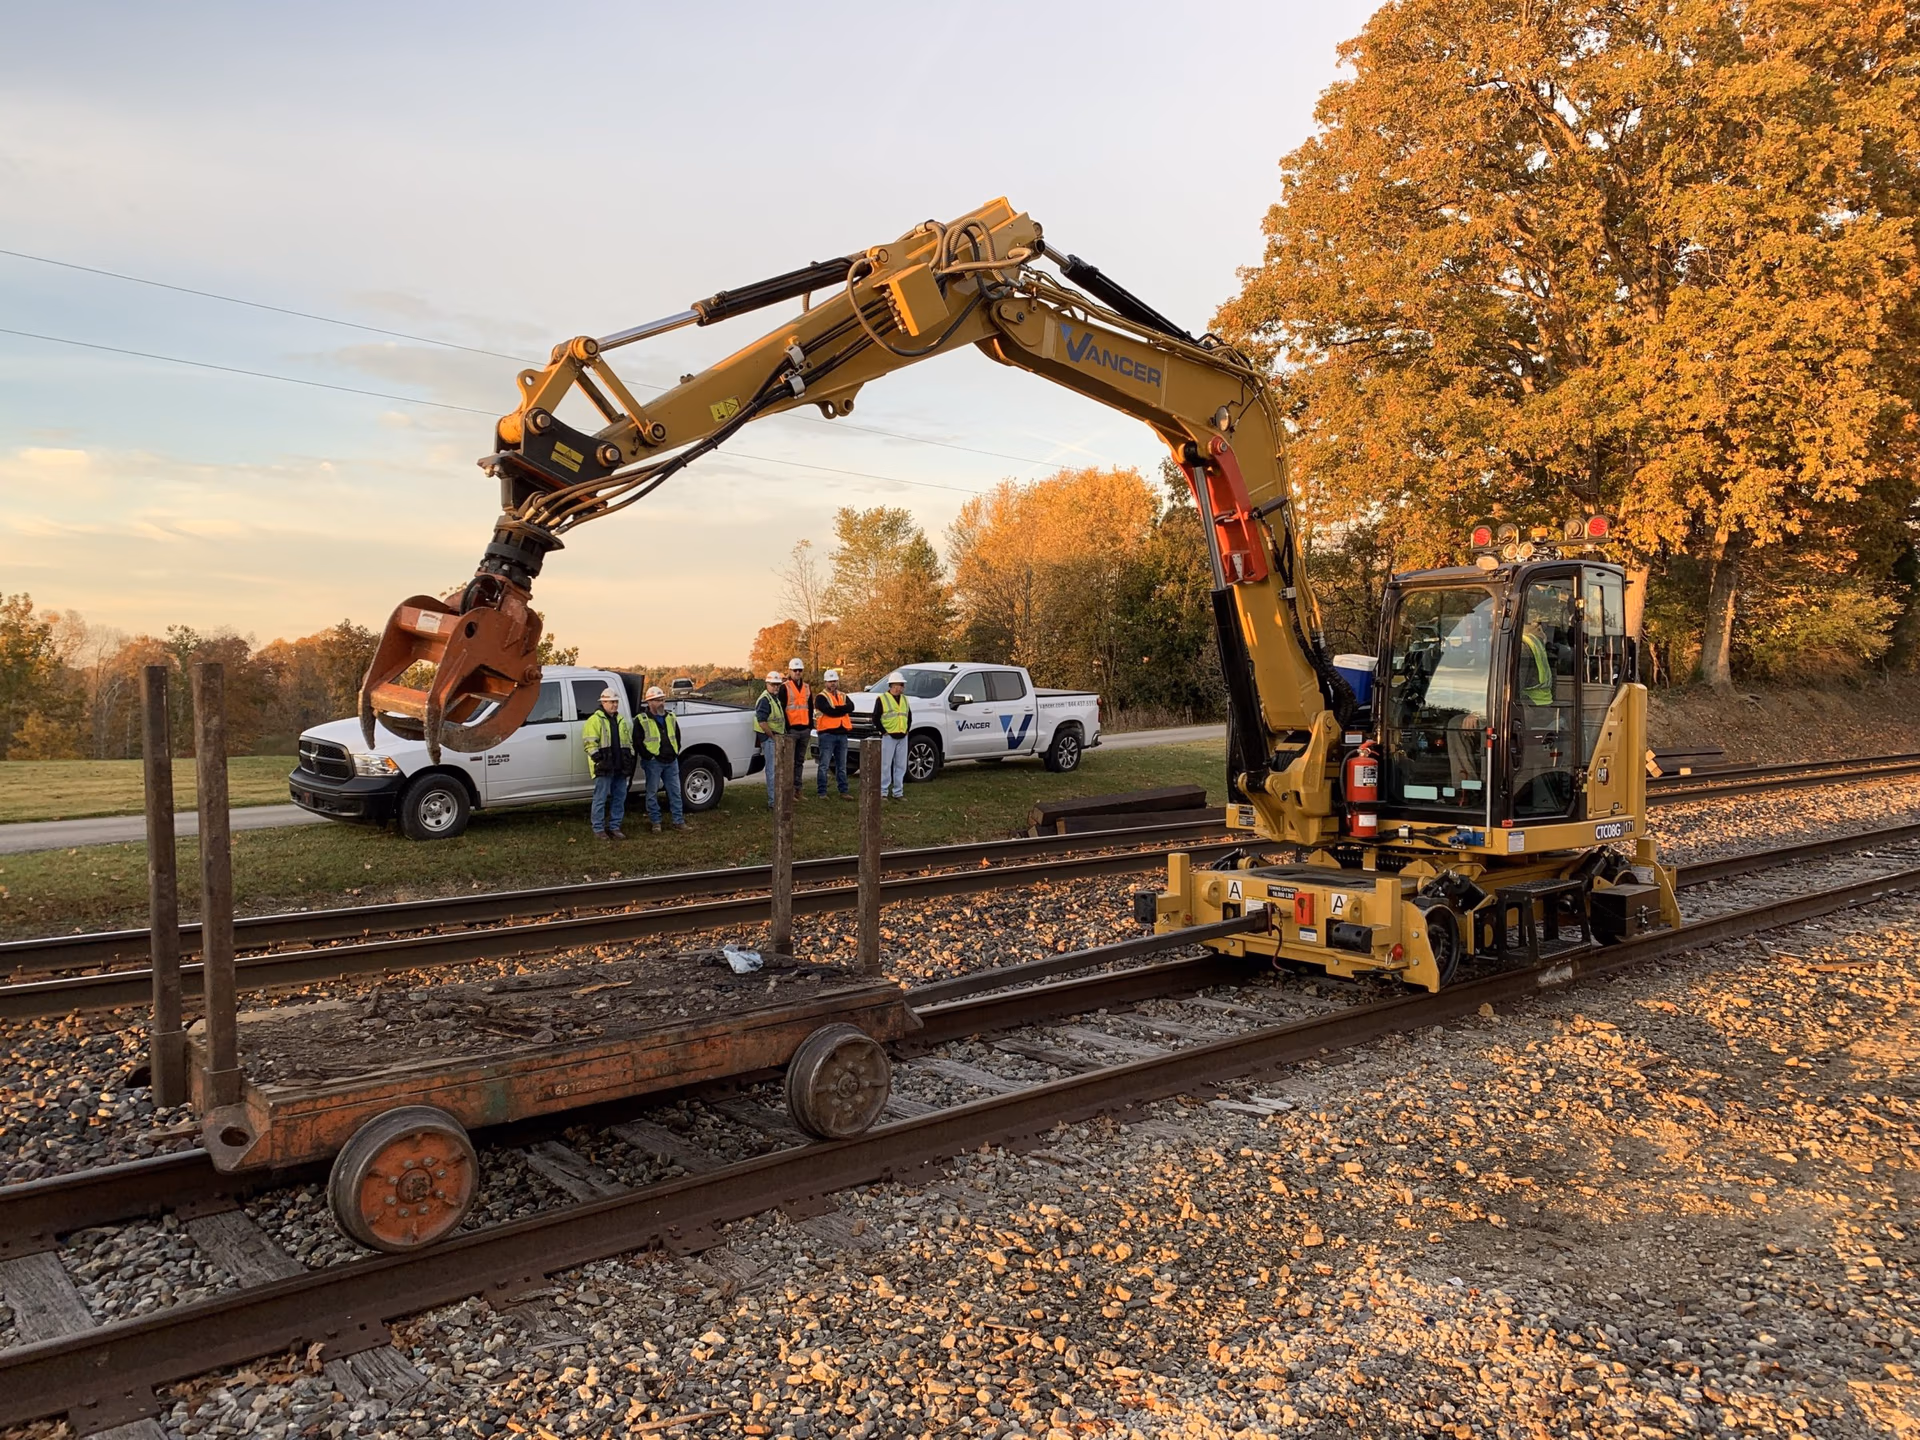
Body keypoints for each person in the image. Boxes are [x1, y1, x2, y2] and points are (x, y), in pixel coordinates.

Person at [635, 685, 688, 833]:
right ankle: (656, 822)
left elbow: (676, 736)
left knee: (675, 792)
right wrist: (649, 756)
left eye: (662, 699)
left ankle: (678, 821)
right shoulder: (641, 719)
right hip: (653, 762)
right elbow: (638, 741)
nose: (661, 703)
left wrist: (675, 752)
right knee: (652, 793)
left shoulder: (670, 717)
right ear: (649, 702)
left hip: (671, 761)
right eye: (657, 700)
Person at [581, 687, 632, 840]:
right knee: (600, 798)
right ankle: (598, 828)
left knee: (619, 797)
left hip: (619, 765)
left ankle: (615, 827)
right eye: (611, 702)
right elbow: (589, 743)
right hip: (604, 766)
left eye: (616, 702)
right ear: (603, 702)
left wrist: (629, 759)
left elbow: (627, 742)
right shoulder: (594, 720)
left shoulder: (621, 720)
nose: (614, 705)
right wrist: (599, 760)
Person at [811, 668, 855, 799]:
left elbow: (851, 707)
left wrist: (837, 709)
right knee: (824, 765)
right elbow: (828, 711)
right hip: (827, 734)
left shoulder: (843, 695)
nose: (833, 684)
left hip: (842, 734)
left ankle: (843, 791)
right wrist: (841, 710)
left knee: (842, 765)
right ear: (825, 683)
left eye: (834, 681)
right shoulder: (820, 697)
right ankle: (822, 792)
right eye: (830, 682)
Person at [872, 671, 911, 800]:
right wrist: (883, 732)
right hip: (889, 736)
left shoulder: (904, 699)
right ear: (893, 686)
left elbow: (908, 716)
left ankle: (898, 792)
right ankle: (883, 792)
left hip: (902, 736)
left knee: (901, 766)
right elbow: (876, 717)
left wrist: (907, 730)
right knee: (886, 765)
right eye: (901, 685)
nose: (902, 687)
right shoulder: (882, 699)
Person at [752, 669, 788, 809]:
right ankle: (773, 802)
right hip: (769, 738)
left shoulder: (774, 698)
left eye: (778, 684)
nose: (776, 687)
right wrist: (772, 737)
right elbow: (762, 722)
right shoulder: (765, 700)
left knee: (777, 769)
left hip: (776, 736)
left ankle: (777, 798)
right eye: (773, 684)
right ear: (767, 684)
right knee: (772, 770)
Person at [783, 657, 813, 801]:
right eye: (795, 670)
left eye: (799, 670)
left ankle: (798, 790)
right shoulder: (785, 687)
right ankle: (789, 791)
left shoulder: (807, 687)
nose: (797, 672)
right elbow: (783, 709)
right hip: (792, 730)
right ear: (790, 671)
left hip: (804, 729)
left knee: (800, 761)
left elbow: (810, 707)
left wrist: (809, 726)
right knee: (790, 761)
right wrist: (788, 728)